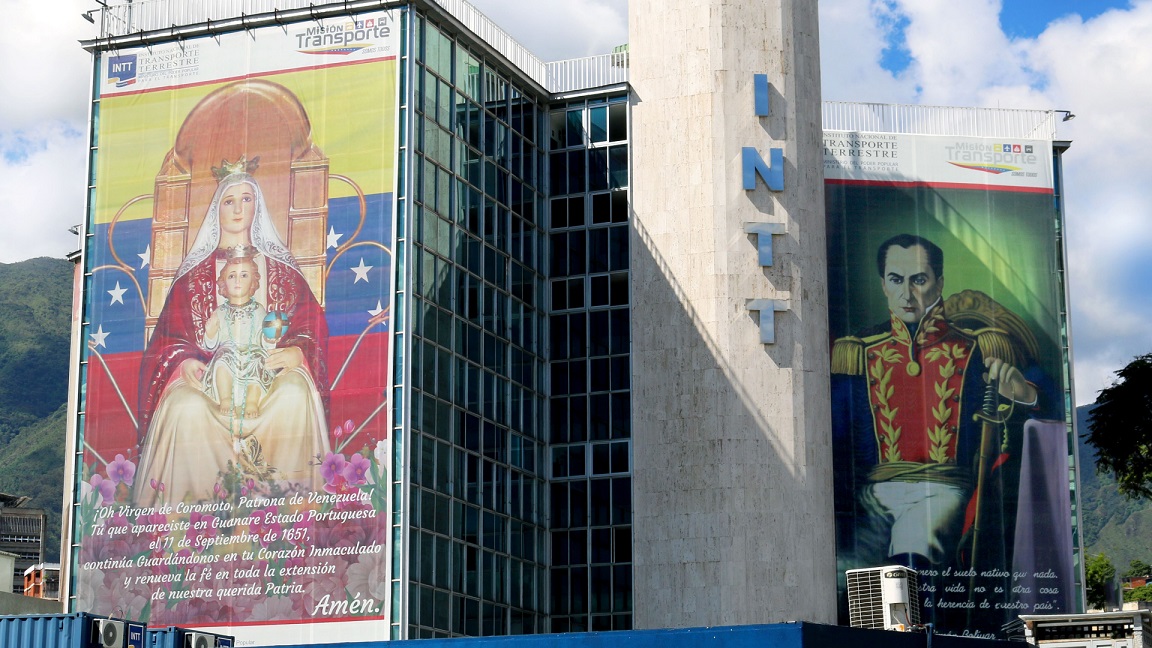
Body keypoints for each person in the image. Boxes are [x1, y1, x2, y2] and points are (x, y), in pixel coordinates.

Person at [830, 234, 1054, 570]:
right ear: (883, 285)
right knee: (846, 570)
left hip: (943, 490)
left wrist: (1026, 394)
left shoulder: (981, 348)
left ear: (939, 283)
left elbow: (1051, 397)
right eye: (896, 280)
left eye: (919, 280)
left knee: (910, 556)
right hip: (872, 495)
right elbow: (833, 434)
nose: (907, 294)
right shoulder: (857, 352)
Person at [133, 157, 331, 506]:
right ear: (216, 210)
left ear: (258, 206)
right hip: (212, 382)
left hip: (265, 376)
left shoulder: (282, 270)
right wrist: (184, 363)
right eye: (229, 201)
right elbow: (167, 340)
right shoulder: (194, 276)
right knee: (184, 406)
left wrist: (297, 351)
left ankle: (291, 506)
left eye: (246, 199)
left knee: (295, 393)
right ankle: (186, 516)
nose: (238, 210)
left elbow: (309, 324)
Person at [202, 249, 275, 420]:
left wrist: (269, 337)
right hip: (228, 354)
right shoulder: (220, 312)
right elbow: (211, 346)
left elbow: (262, 338)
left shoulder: (258, 310)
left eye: (244, 275)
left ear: (253, 282)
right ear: (223, 283)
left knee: (259, 362)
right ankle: (226, 399)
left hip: (252, 352)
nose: (237, 280)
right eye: (231, 276)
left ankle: (251, 401)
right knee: (221, 360)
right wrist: (211, 333)